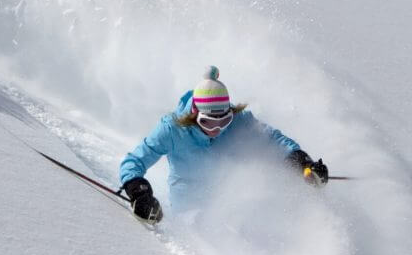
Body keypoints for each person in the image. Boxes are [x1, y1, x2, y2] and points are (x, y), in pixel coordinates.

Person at [120, 66, 328, 224]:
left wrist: (301, 160)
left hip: (233, 204)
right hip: (189, 208)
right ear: (194, 115)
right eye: (208, 122)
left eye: (224, 120)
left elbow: (274, 140)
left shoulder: (240, 122)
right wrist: (139, 192)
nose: (217, 129)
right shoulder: (172, 130)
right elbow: (135, 160)